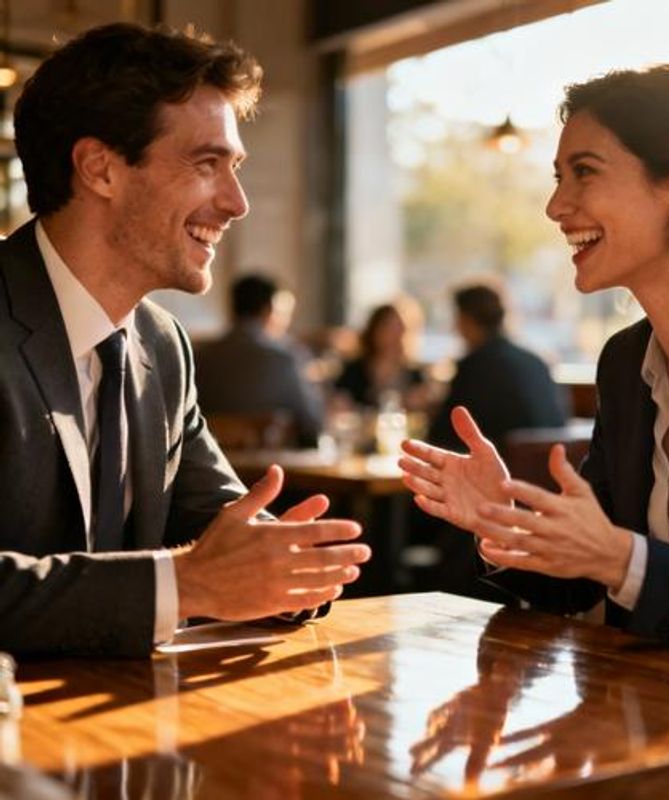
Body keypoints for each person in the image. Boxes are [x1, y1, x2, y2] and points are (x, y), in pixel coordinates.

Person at [400, 64, 669, 659]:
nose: (556, 206)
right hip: (652, 709)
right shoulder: (624, 360)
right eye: (558, 177)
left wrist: (622, 558)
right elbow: (582, 579)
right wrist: (502, 522)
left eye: (583, 173)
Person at [0, 23, 370, 658]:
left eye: (236, 169)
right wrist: (186, 584)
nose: (237, 203)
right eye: (207, 165)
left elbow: (224, 526)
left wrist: (287, 572)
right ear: (100, 169)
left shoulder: (162, 346)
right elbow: (198, 574)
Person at [428, 280, 566, 453]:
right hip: (548, 471)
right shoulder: (536, 362)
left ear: (466, 319)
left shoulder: (475, 367)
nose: (454, 327)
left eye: (457, 318)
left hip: (501, 472)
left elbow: (442, 436)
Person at [195, 274, 323, 447]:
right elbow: (312, 424)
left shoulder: (199, 356)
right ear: (268, 310)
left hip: (206, 465)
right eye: (284, 314)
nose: (286, 322)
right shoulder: (285, 358)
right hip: (276, 468)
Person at [333, 298, 429, 411]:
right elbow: (338, 403)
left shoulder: (415, 375)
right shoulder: (353, 371)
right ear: (374, 330)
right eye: (388, 328)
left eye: (399, 329)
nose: (393, 336)